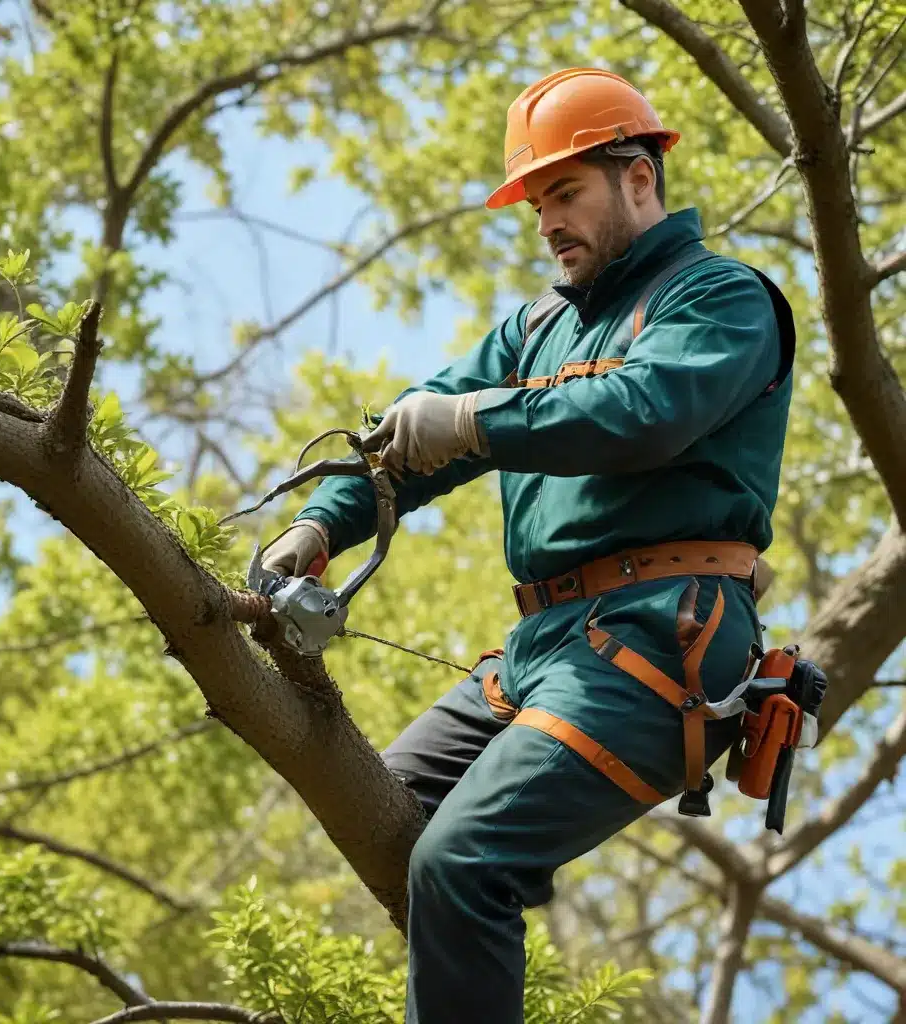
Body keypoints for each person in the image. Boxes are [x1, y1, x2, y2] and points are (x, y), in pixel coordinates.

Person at [260, 68, 797, 1024]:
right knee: (378, 810)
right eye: (536, 203)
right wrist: (320, 524)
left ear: (639, 178)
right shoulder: (538, 326)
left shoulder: (720, 299)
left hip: (655, 638)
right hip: (539, 651)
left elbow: (644, 414)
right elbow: (406, 439)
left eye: (566, 194)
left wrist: (473, 420)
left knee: (464, 859)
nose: (548, 223)